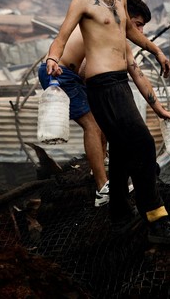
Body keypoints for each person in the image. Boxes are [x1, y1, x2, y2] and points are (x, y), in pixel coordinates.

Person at [45, 0, 170, 245]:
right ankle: (157, 220)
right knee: (142, 144)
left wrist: (156, 49)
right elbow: (61, 38)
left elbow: (129, 32)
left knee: (124, 153)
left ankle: (118, 216)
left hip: (120, 82)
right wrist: (51, 59)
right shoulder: (82, 1)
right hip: (101, 87)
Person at [37, 24, 110, 206]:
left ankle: (100, 168)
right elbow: (87, 68)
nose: (139, 31)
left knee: (100, 120)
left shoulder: (103, 23)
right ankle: (102, 188)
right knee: (91, 124)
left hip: (70, 75)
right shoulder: (102, 25)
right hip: (60, 73)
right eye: (138, 25)